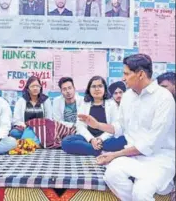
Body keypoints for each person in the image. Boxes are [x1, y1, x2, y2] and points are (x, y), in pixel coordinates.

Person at [79, 54, 175, 201]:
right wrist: (97, 125)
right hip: (135, 157)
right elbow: (120, 127)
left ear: (141, 74)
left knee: (141, 192)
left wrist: (115, 155)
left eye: (126, 73)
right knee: (111, 174)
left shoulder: (163, 98)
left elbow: (151, 144)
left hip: (160, 159)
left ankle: (165, 184)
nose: (123, 78)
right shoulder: (128, 96)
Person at [62, 76, 126, 156]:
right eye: (93, 86)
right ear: (89, 89)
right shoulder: (84, 103)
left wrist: (100, 139)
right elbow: (80, 125)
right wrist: (91, 139)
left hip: (106, 138)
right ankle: (98, 150)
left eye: (100, 86)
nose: (97, 89)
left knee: (124, 139)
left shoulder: (111, 104)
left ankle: (94, 148)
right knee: (66, 142)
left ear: (104, 89)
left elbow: (114, 127)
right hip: (87, 138)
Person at [10, 76, 52, 144]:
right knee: (14, 133)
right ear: (28, 88)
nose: (35, 88)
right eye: (32, 86)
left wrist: (38, 127)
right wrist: (27, 126)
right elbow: (16, 120)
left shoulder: (45, 100)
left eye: (37, 86)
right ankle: (36, 141)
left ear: (40, 87)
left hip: (41, 128)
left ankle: (27, 142)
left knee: (47, 133)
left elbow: (49, 119)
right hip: (25, 127)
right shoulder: (21, 101)